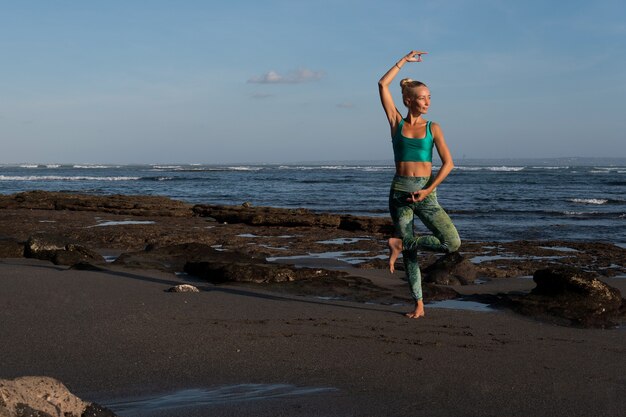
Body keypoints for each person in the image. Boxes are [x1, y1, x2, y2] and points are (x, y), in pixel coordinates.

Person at [378, 50, 461, 319]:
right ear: (408, 100)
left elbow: (448, 163)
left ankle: (400, 243)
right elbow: (382, 84)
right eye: (422, 98)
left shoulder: (433, 127)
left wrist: (428, 189)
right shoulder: (396, 123)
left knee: (451, 242)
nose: (427, 102)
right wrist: (403, 61)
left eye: (429, 98)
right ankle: (419, 305)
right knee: (411, 257)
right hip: (400, 193)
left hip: (426, 192)